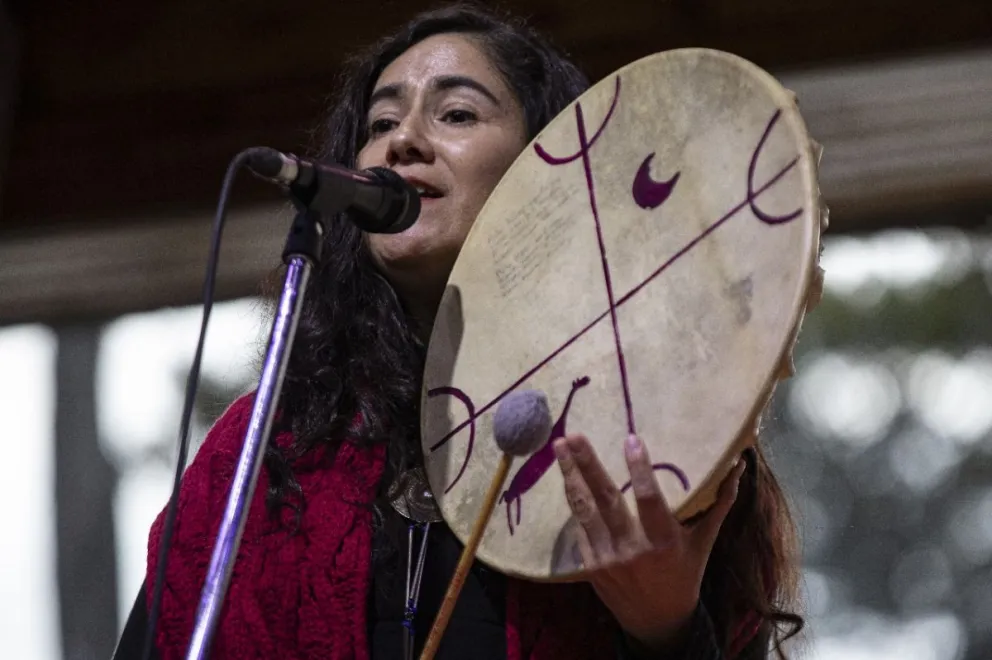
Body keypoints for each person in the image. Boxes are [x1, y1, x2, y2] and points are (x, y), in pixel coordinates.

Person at [113, 4, 803, 659]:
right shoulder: (263, 450)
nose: (403, 140)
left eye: (457, 113)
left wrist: (665, 629)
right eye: (379, 124)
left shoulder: (651, 428)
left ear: (552, 170)